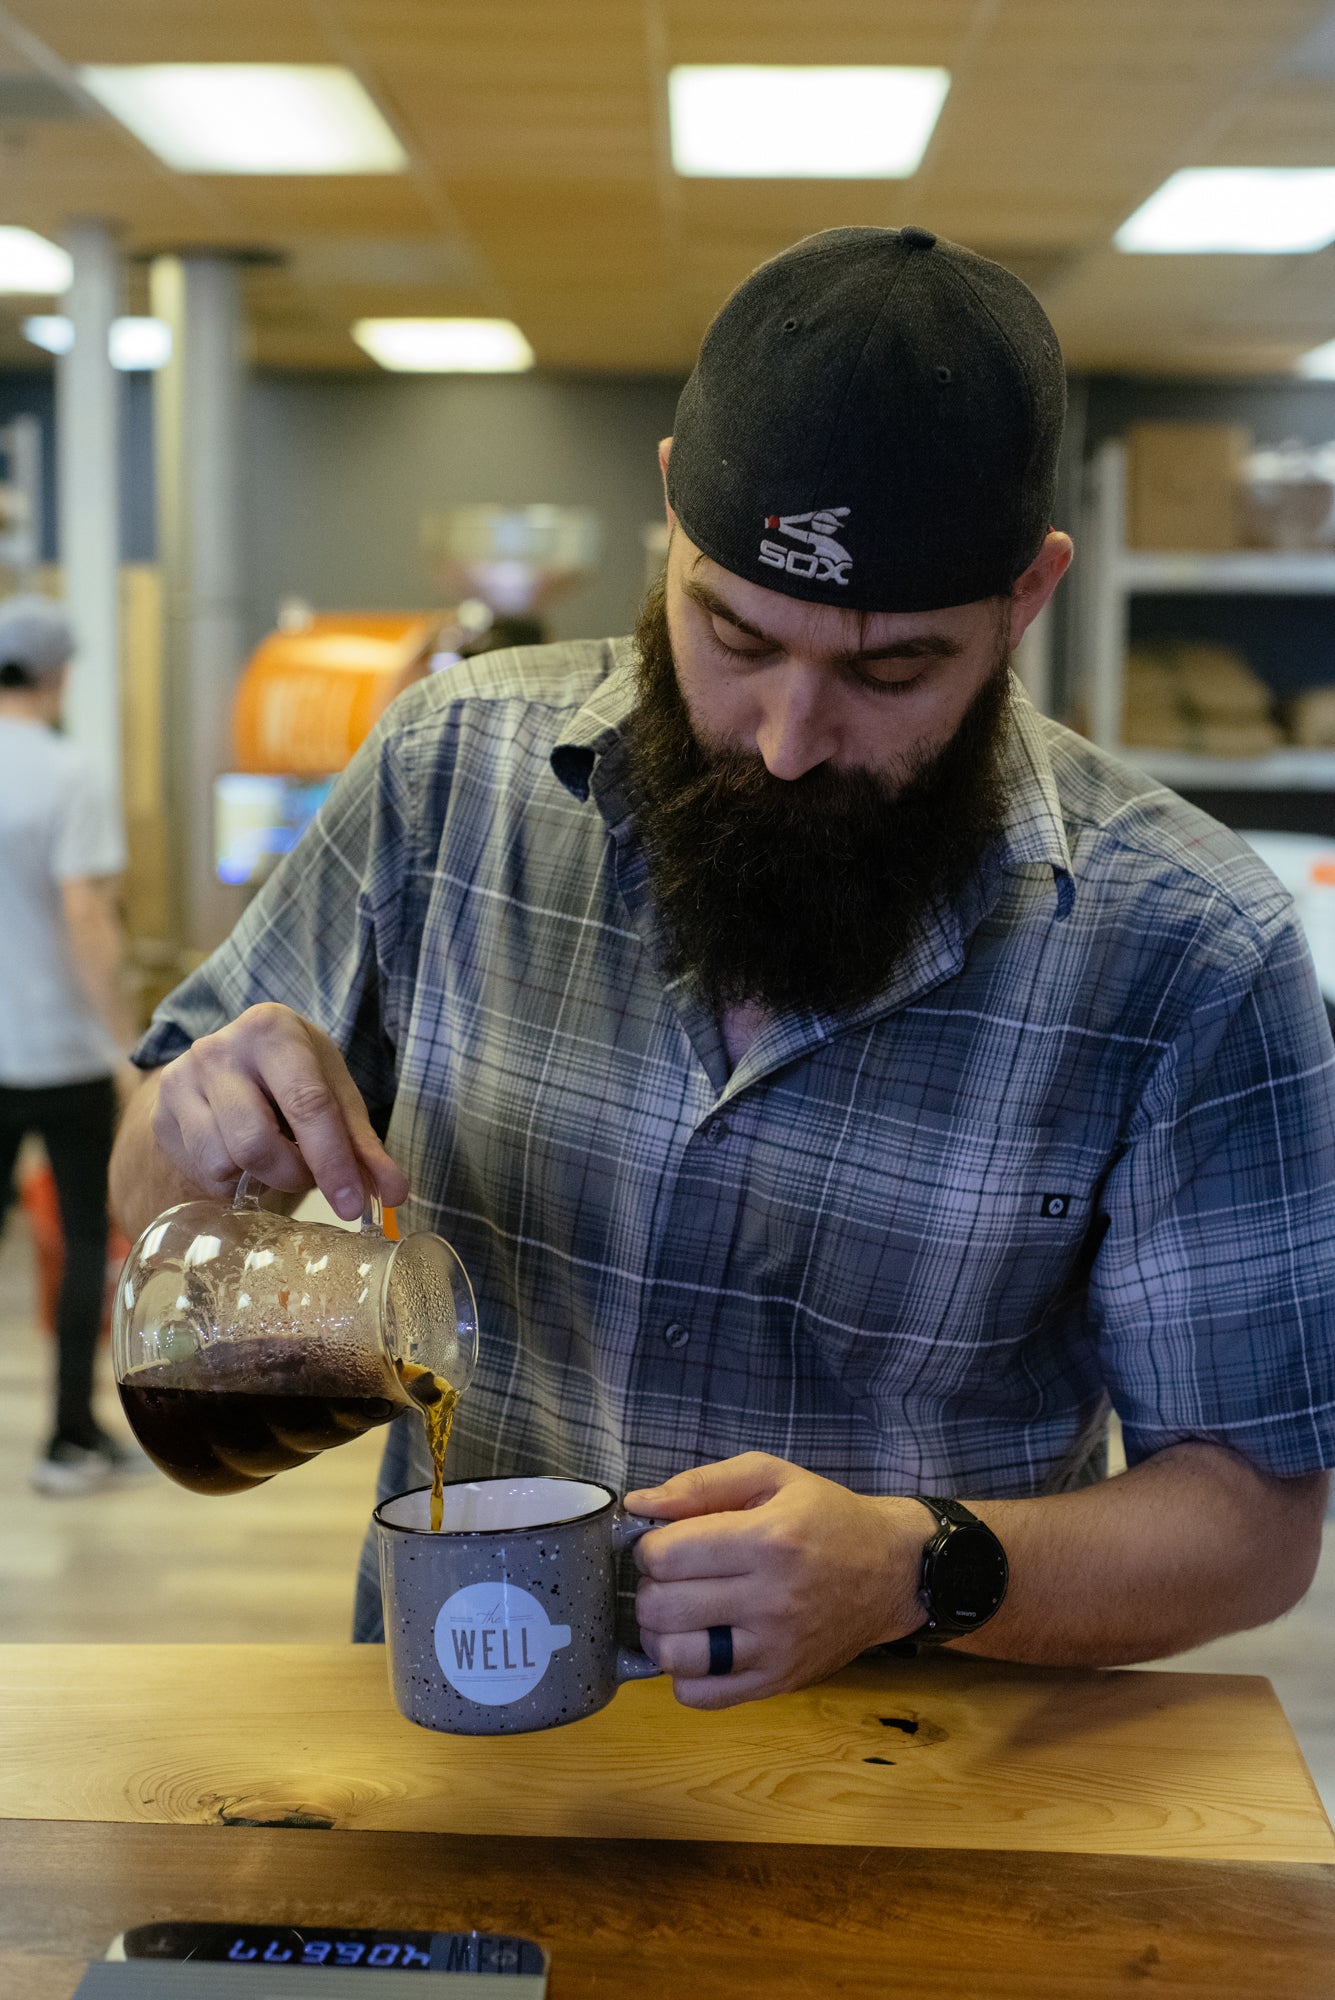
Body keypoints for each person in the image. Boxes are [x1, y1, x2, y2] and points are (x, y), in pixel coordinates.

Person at [111, 227, 1333, 1706]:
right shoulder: (448, 778)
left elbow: (1252, 1522)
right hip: (471, 1732)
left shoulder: (1186, 949)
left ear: (1024, 597)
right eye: (732, 632)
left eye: (891, 673)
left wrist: (915, 1566)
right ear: (671, 503)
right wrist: (183, 1125)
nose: (786, 736)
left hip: (910, 1788)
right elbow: (149, 1200)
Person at [0, 594, 144, 1493]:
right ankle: (66, 1440)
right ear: (58, 674)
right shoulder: (68, 771)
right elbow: (87, 917)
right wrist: (129, 1047)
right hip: (63, 1055)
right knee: (85, 1240)